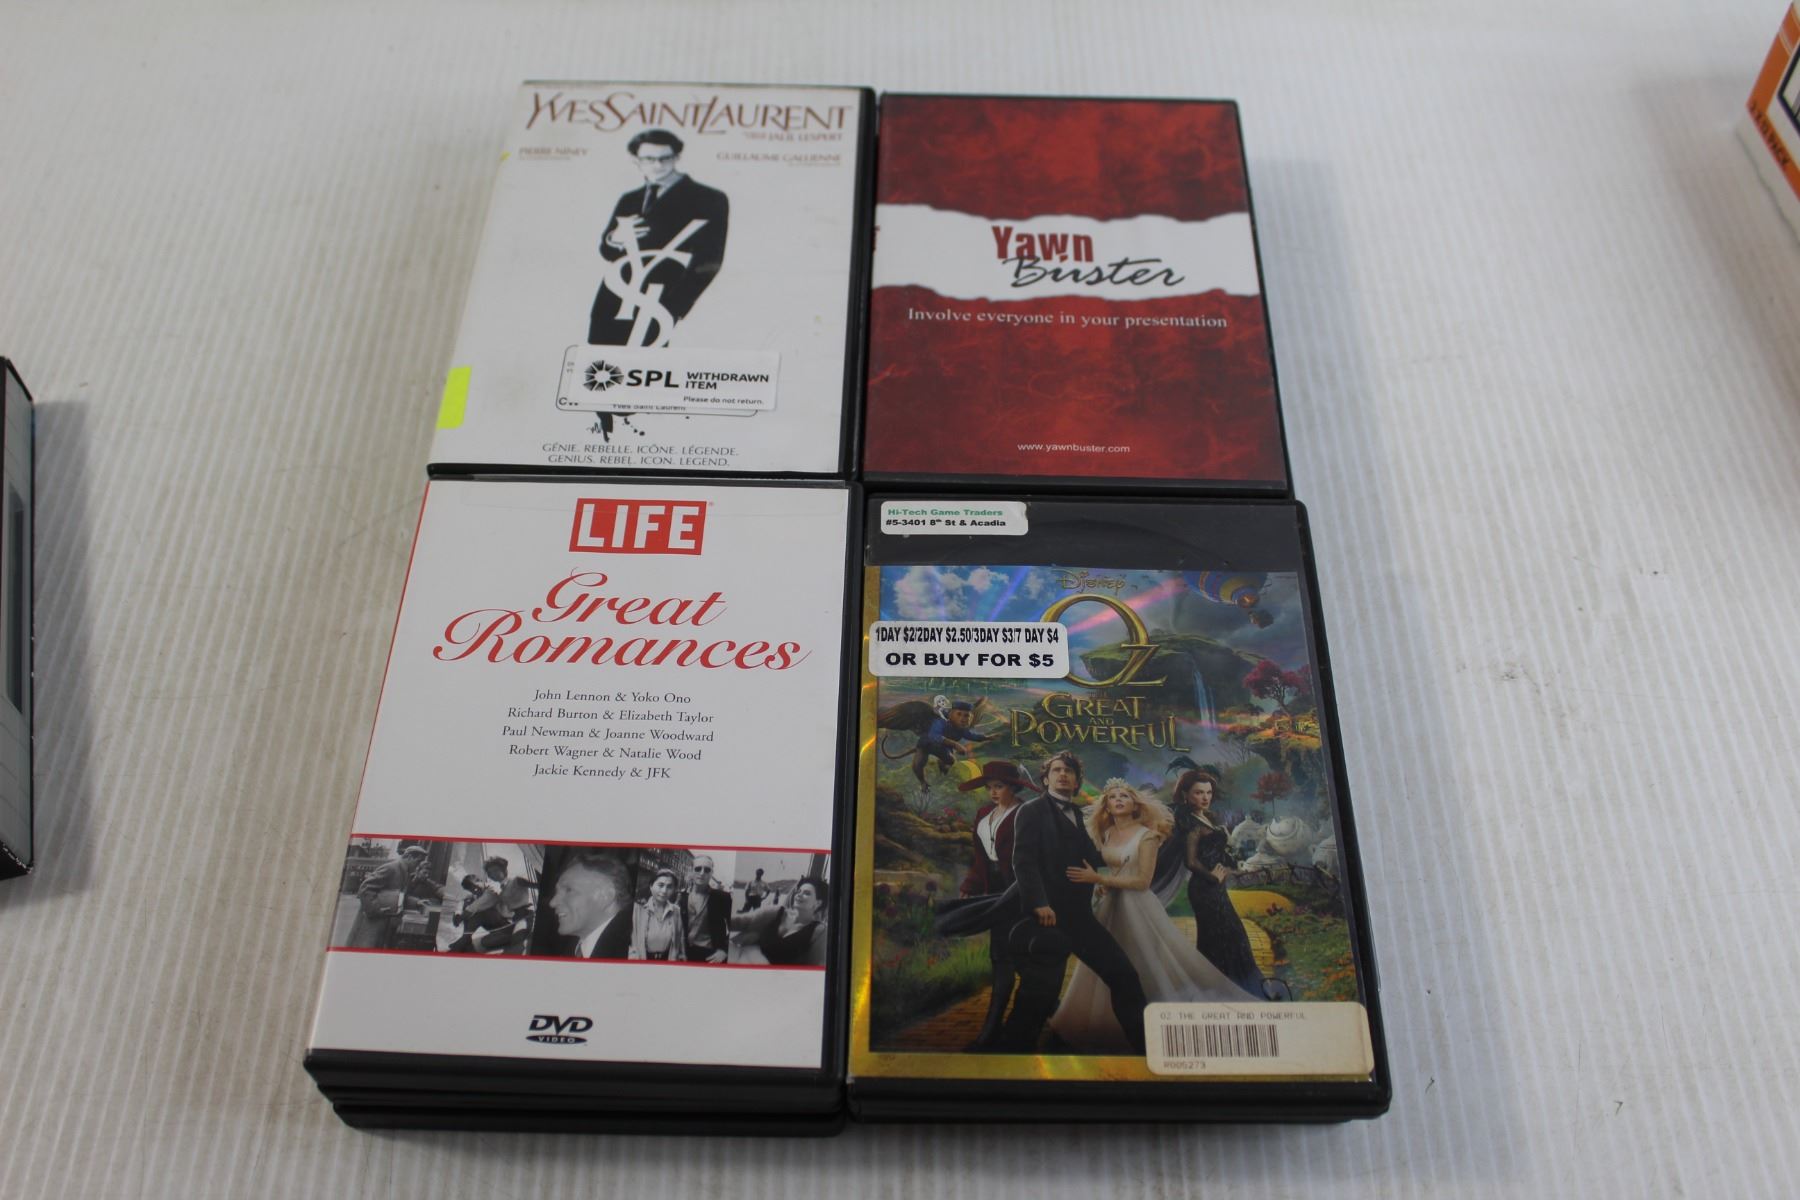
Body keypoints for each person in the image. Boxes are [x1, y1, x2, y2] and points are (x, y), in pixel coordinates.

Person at [1048, 780, 1259, 1052]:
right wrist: (1105, 884)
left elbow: (1142, 882)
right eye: (1113, 797)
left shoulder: (1147, 836)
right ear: (1107, 806)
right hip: (1111, 905)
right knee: (1108, 962)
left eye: (1125, 796)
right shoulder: (1108, 833)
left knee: (1142, 958)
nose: (1119, 800)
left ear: (1135, 804)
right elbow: (1118, 868)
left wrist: (1098, 878)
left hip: (1137, 907)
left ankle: (1148, 1019)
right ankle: (1104, 1021)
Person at [999, 751, 1149, 1054]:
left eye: (1069, 771)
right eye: (1056, 770)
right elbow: (1023, 861)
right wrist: (1039, 903)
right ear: (1045, 779)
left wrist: (1132, 847)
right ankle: (1009, 1055)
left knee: (1124, 976)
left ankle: (1145, 1049)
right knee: (1039, 994)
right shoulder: (1031, 811)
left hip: (1080, 918)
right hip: (1047, 916)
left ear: (1077, 780)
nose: (1063, 775)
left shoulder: (1080, 814)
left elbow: (1090, 856)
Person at [588, 128, 729, 349]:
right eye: (648, 159)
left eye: (665, 158)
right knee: (601, 365)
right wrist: (614, 239)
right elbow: (608, 253)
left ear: (677, 157)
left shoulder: (709, 198)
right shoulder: (629, 199)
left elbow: (709, 261)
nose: (657, 165)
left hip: (661, 299)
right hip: (615, 297)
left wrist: (674, 307)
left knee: (649, 366)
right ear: (636, 160)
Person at [956, 760, 1035, 1050]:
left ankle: (991, 1033)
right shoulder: (983, 814)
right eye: (989, 787)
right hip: (994, 889)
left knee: (1010, 957)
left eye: (998, 786)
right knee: (1004, 957)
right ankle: (1047, 1009)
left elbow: (1032, 859)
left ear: (1013, 787)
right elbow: (981, 858)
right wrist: (970, 886)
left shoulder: (1025, 814)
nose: (992, 792)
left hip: (1019, 890)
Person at [1175, 768, 1264, 994]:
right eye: (1198, 793)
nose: (1205, 797)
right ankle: (1218, 988)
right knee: (1220, 936)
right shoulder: (1191, 824)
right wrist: (1212, 876)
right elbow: (1191, 861)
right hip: (1204, 888)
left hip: (1216, 887)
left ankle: (1232, 986)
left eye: (1208, 792)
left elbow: (1214, 851)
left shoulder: (1206, 817)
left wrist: (1229, 866)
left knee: (1230, 934)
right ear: (1185, 794)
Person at [346, 843, 442, 949]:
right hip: (372, 921)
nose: (418, 865)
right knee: (365, 947)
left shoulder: (404, 871)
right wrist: (375, 910)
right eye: (418, 861)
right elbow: (365, 888)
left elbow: (401, 895)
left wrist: (417, 902)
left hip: (383, 919)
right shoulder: (391, 868)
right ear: (409, 857)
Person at [548, 852, 633, 960]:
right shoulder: (572, 946)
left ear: (605, 896)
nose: (552, 903)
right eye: (556, 892)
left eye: (569, 890)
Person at [729, 877, 828, 966]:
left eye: (806, 893)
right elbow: (741, 922)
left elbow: (816, 967)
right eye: (798, 891)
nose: (799, 895)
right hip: (743, 959)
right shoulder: (776, 912)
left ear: (818, 903)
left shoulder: (818, 932)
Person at [681, 855, 731, 963]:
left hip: (711, 955)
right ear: (691, 871)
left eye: (707, 870)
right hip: (684, 953)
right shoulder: (681, 897)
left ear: (712, 873)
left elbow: (735, 928)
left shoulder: (723, 898)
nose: (702, 873)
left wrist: (725, 950)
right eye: (698, 868)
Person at [630, 868, 687, 960]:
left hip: (667, 960)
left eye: (669, 887)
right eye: (660, 885)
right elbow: (631, 941)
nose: (664, 891)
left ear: (674, 890)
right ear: (651, 886)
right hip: (643, 959)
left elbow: (680, 939)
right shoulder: (638, 909)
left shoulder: (676, 911)